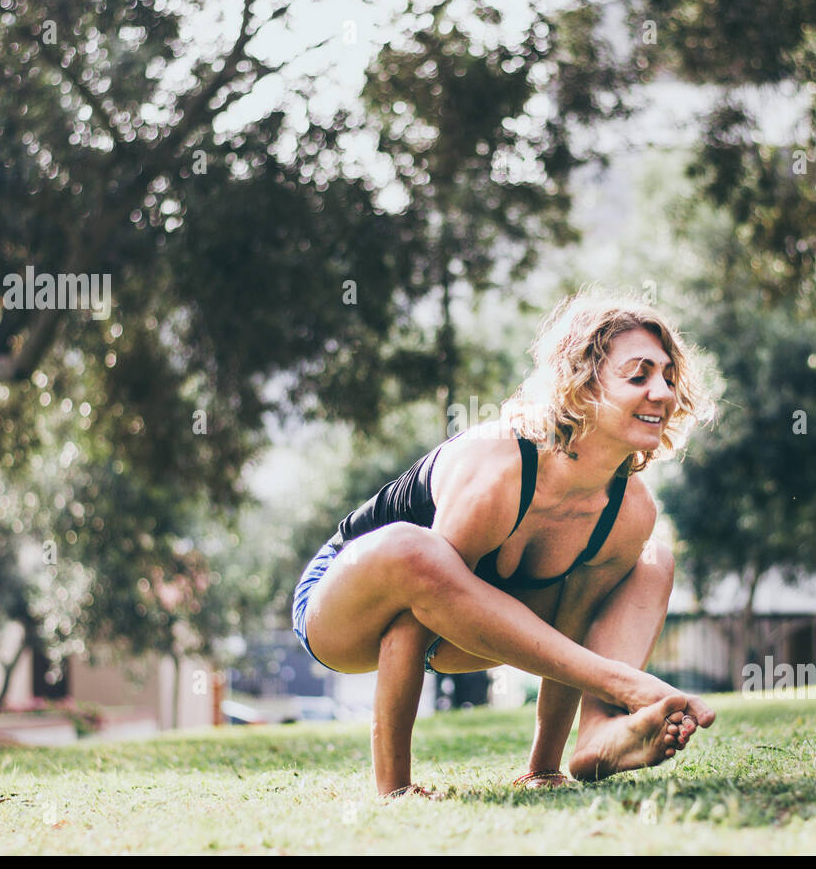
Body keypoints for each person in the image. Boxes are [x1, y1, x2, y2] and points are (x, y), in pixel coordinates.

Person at [290, 289, 717, 798]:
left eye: (668, 377)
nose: (663, 393)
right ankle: (622, 689)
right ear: (580, 384)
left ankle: (598, 733)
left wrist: (543, 769)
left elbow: (573, 621)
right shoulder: (498, 468)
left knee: (653, 558)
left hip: (470, 631)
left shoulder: (629, 509)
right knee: (417, 550)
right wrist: (395, 789)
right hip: (345, 614)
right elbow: (411, 618)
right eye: (639, 375)